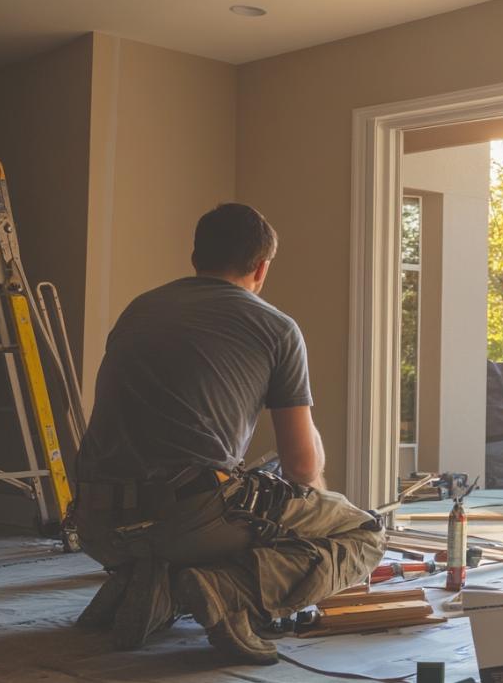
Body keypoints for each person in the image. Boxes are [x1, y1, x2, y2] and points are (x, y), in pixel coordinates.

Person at [71, 203, 384, 664]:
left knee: (234, 497)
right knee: (364, 530)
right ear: (261, 267)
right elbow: (301, 467)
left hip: (96, 527)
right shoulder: (277, 327)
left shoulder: (140, 309)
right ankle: (224, 589)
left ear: (195, 255)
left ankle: (156, 587)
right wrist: (312, 501)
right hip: (184, 523)